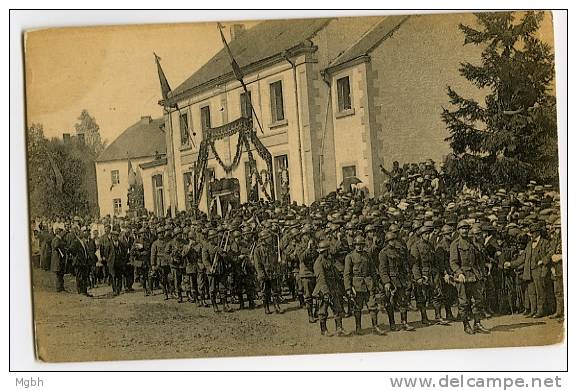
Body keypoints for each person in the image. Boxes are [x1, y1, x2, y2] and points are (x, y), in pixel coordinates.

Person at [450, 220, 490, 334]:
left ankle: (477, 323)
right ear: (458, 230)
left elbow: (479, 260)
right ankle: (466, 325)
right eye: (462, 228)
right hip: (462, 276)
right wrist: (459, 273)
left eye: (467, 228)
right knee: (463, 303)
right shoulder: (455, 244)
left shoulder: (473, 243)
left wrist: (481, 273)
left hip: (474, 275)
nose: (465, 230)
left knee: (478, 300)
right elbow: (453, 262)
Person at [344, 235, 386, 335]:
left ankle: (375, 327)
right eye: (357, 245)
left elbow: (372, 271)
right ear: (354, 245)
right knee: (357, 307)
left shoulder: (367, 256)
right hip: (357, 286)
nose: (359, 247)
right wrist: (348, 288)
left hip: (368, 284)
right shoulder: (349, 256)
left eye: (361, 245)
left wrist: (376, 284)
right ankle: (358, 327)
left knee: (373, 306)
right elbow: (347, 274)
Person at [508, 223, 552, 318]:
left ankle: (540, 311)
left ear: (537, 233)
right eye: (530, 233)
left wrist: (543, 261)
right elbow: (522, 257)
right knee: (531, 292)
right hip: (529, 271)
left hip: (539, 270)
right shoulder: (529, 244)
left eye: (532, 233)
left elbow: (550, 253)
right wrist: (511, 264)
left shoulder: (545, 242)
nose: (531, 234)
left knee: (540, 291)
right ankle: (533, 310)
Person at [378, 230, 415, 332]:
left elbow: (404, 266)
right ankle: (392, 324)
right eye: (391, 240)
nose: (393, 242)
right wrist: (386, 282)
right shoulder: (383, 253)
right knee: (389, 303)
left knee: (403, 301)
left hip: (400, 280)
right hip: (391, 281)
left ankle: (404, 322)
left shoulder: (399, 251)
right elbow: (383, 269)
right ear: (387, 241)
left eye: (394, 240)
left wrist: (407, 277)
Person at [313, 240, 350, 337]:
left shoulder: (329, 259)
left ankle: (339, 328)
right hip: (323, 289)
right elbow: (321, 279)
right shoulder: (318, 262)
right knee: (323, 311)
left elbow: (335, 272)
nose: (327, 252)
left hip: (333, 287)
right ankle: (324, 330)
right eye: (326, 250)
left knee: (337, 308)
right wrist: (325, 292)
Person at [297, 225, 318, 323]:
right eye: (305, 235)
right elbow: (301, 258)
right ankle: (310, 315)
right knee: (308, 296)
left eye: (309, 235)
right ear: (302, 236)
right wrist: (308, 248)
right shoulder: (300, 246)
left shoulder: (315, 244)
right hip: (306, 274)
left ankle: (316, 312)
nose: (308, 237)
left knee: (318, 295)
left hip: (315, 273)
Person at [50, 228, 66, 292]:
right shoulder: (57, 239)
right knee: (58, 274)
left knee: (60, 274)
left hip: (59, 259)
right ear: (59, 233)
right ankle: (59, 288)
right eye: (61, 232)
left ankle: (61, 288)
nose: (63, 234)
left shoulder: (57, 239)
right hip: (57, 259)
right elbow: (56, 246)